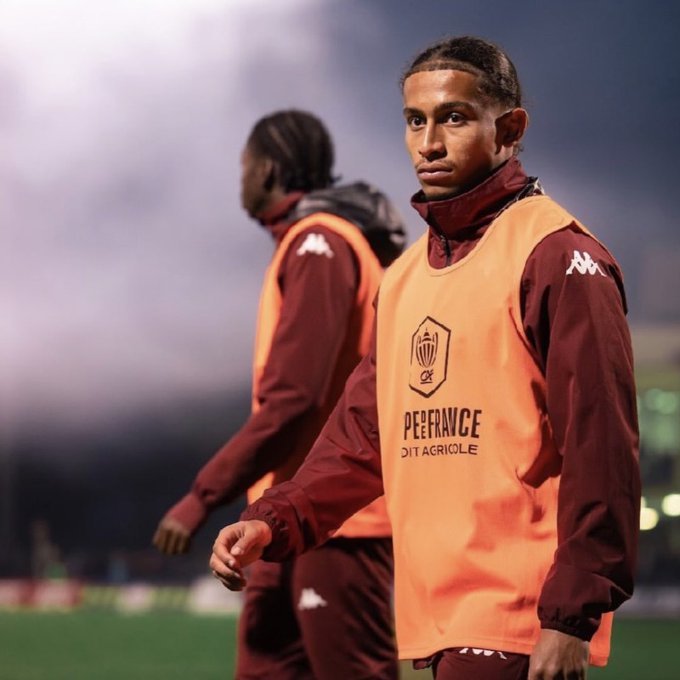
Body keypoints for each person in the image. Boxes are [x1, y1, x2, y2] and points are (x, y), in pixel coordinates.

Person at [210, 37, 641, 680]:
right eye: (416, 121)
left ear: (510, 130)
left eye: (454, 118)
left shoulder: (557, 256)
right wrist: (274, 519)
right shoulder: (405, 277)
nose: (429, 143)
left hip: (522, 619)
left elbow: (601, 447)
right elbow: (363, 437)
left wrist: (570, 615)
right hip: (436, 615)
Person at [153, 109, 405, 679]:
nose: (239, 179)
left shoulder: (320, 243)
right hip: (282, 516)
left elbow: (294, 398)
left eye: (243, 166)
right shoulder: (314, 241)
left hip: (335, 522)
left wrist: (201, 497)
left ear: (267, 170)